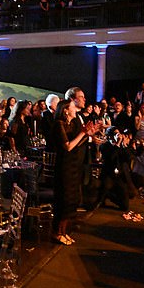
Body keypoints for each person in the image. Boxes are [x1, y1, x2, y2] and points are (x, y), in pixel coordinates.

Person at [51, 99, 97, 245]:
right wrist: (83, 133)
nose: (75, 109)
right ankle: (57, 232)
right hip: (64, 167)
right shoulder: (59, 124)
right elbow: (68, 146)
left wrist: (87, 134)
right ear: (65, 110)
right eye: (72, 107)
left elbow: (76, 144)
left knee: (72, 200)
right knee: (64, 200)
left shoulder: (71, 124)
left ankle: (64, 232)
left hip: (73, 166)